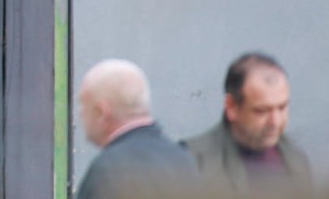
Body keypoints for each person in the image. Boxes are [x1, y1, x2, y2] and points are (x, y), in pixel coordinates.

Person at [184, 52, 311, 192]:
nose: (275, 121)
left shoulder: (295, 160)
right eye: (262, 110)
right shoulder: (194, 161)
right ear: (231, 106)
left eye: (282, 108)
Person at [74, 59, 195, 199]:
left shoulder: (107, 173)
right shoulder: (186, 162)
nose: (80, 113)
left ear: (101, 112)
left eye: (83, 104)